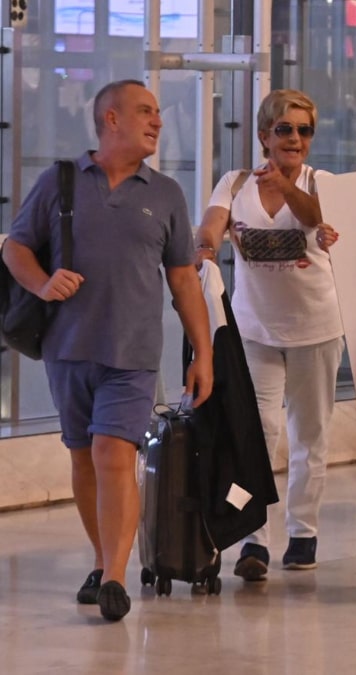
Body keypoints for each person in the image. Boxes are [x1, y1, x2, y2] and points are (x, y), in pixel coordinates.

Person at [2, 79, 214, 621]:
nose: (158, 121)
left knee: (112, 454)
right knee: (82, 457)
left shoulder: (166, 192)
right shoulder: (62, 180)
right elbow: (15, 246)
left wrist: (203, 352)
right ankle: (102, 561)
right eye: (146, 111)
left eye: (159, 113)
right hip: (67, 349)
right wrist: (43, 284)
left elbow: (185, 281)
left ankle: (116, 576)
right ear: (110, 119)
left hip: (135, 354)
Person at [195, 89, 341, 580]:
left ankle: (303, 532)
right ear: (263, 136)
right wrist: (206, 247)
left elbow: (314, 217)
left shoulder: (322, 183)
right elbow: (212, 224)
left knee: (310, 435)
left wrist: (287, 182)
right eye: (284, 129)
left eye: (304, 130)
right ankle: (253, 538)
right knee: (255, 435)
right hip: (255, 329)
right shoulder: (235, 183)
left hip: (317, 329)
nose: (295, 138)